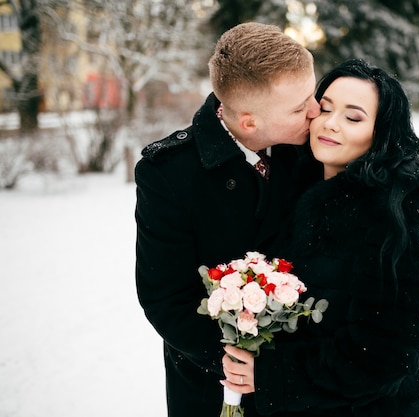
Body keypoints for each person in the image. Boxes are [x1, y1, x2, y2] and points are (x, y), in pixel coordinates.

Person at [221, 59, 419, 416]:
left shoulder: (389, 220)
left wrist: (272, 375)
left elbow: (386, 357)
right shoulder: (297, 190)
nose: (330, 124)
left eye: (354, 117)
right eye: (325, 108)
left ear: (381, 134)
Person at [134, 22, 320, 417]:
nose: (316, 111)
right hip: (213, 385)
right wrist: (237, 364)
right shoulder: (169, 173)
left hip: (302, 379)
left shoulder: (310, 147)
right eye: (298, 106)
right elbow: (165, 296)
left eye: (313, 94)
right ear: (250, 121)